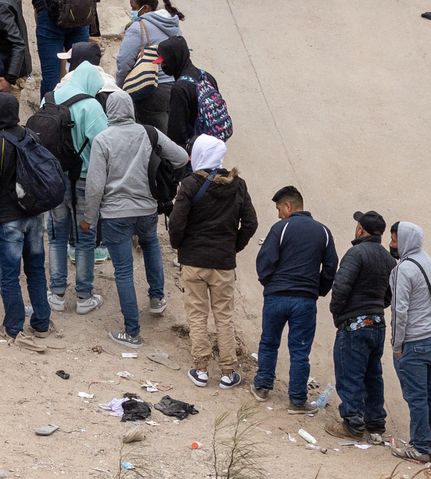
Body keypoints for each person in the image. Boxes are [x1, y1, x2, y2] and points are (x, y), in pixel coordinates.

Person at [80, 92, 188, 349]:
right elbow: (182, 157)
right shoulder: (148, 133)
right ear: (130, 108)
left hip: (115, 214)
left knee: (124, 271)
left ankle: (132, 332)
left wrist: (89, 218)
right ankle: (157, 298)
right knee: (151, 245)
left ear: (109, 111)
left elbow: (95, 186)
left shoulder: (103, 140)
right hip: (147, 208)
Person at [167, 134, 256, 390]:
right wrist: (233, 246)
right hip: (224, 263)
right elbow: (250, 223)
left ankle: (201, 368)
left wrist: (180, 246)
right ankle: (228, 371)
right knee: (224, 316)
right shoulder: (238, 185)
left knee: (197, 314)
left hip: (194, 261)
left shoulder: (190, 184)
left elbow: (177, 222)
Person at [0, 90, 56, 347]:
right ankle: (41, 323)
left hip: (6, 219)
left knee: (9, 275)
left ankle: (13, 327)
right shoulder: (28, 135)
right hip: (33, 216)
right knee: (35, 270)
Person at [252, 186, 337, 411]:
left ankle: (262, 387)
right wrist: (317, 290)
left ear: (288, 206)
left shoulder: (281, 228)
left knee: (269, 342)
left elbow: (265, 261)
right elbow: (330, 267)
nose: (278, 213)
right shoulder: (324, 232)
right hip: (305, 301)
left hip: (276, 297)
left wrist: (269, 283)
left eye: (279, 208)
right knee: (300, 350)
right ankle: (297, 400)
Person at [42, 43, 108, 312]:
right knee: (85, 238)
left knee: (56, 236)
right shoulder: (91, 106)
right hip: (84, 180)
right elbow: (105, 145)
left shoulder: (50, 97)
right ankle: (83, 297)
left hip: (54, 179)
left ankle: (56, 294)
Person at [325, 211, 395, 443]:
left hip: (354, 323)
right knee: (373, 374)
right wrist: (375, 307)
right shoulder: (388, 259)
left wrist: (338, 314)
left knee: (350, 373)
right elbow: (389, 296)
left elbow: (341, 288)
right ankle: (375, 423)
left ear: (361, 230)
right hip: (377, 322)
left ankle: (353, 423)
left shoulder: (355, 253)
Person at [388, 221, 431, 463]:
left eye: (394, 239)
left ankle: (420, 446)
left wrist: (397, 344)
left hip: (414, 340)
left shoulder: (405, 269)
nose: (391, 244)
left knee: (416, 397)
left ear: (404, 240)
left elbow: (399, 310)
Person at [114, 0, 184, 86]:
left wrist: (120, 86)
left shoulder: (137, 28)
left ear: (146, 8)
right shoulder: (171, 23)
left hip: (153, 84)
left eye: (134, 8)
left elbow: (124, 62)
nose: (132, 11)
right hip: (177, 80)